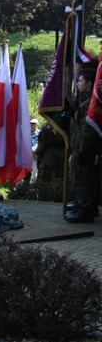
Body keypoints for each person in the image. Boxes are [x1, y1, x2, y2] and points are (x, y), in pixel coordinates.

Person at [66, 63, 100, 223]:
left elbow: (88, 129)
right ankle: (83, 204)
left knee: (84, 178)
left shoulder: (91, 104)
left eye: (80, 81)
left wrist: (84, 149)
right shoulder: (83, 100)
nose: (78, 84)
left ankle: (85, 208)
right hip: (78, 143)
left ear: (89, 84)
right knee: (79, 176)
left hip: (84, 146)